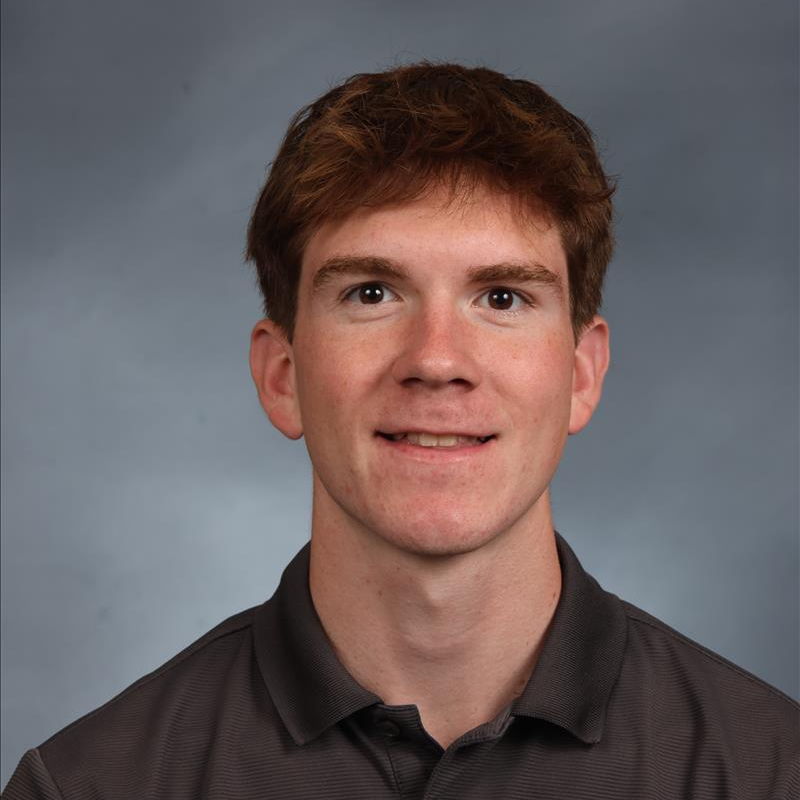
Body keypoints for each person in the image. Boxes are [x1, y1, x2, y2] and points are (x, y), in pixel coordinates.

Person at [4, 62, 798, 800]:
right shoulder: (91, 787)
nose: (438, 361)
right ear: (281, 376)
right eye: (373, 292)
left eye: (502, 298)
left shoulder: (768, 772)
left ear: (582, 375)